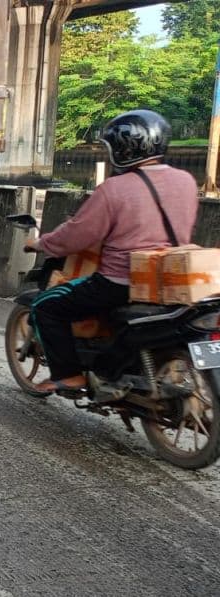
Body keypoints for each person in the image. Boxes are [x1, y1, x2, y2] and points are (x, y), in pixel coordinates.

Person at [26, 109, 199, 395]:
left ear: (123, 148)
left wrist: (42, 243)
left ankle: (70, 375)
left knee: (46, 307)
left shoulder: (114, 189)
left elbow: (77, 234)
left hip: (119, 282)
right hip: (168, 280)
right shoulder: (186, 181)